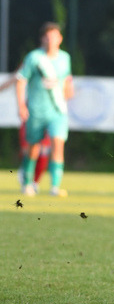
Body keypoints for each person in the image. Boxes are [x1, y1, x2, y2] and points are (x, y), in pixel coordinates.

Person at [15, 22, 74, 197]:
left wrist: (69, 89)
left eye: (54, 37)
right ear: (42, 39)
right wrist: (21, 105)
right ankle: (27, 183)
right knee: (33, 147)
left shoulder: (65, 58)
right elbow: (21, 80)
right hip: (37, 110)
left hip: (58, 110)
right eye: (47, 37)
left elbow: (67, 80)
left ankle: (55, 187)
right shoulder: (34, 58)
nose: (51, 40)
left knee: (58, 143)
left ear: (60, 39)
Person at [0, 73, 50, 191]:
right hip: (31, 112)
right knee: (29, 148)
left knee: (44, 150)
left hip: (49, 112)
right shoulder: (31, 61)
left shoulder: (59, 62)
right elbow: (17, 79)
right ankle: (26, 176)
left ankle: (35, 182)